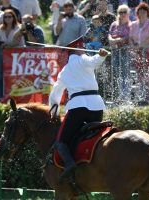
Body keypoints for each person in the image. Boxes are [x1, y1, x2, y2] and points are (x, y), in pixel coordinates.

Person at [49, 37, 110, 180]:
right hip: (97, 106)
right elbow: (93, 61)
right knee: (93, 138)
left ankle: (70, 164)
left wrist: (54, 113)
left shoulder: (64, 71)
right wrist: (100, 56)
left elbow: (55, 94)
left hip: (78, 107)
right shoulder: (83, 59)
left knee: (61, 141)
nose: (83, 48)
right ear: (75, 50)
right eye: (81, 47)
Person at [129, 2, 149, 103]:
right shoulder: (133, 24)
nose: (142, 12)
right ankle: (140, 97)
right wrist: (134, 48)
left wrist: (141, 46)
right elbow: (130, 38)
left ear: (147, 12)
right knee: (139, 75)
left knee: (148, 76)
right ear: (137, 12)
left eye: (144, 10)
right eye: (140, 10)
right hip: (137, 53)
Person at [108, 4, 131, 102]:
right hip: (115, 52)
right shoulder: (114, 24)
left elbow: (130, 36)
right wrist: (113, 40)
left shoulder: (131, 24)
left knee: (125, 74)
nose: (122, 14)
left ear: (128, 13)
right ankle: (120, 95)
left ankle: (126, 95)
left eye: (124, 12)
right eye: (120, 12)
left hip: (126, 51)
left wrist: (118, 40)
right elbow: (109, 35)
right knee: (117, 74)